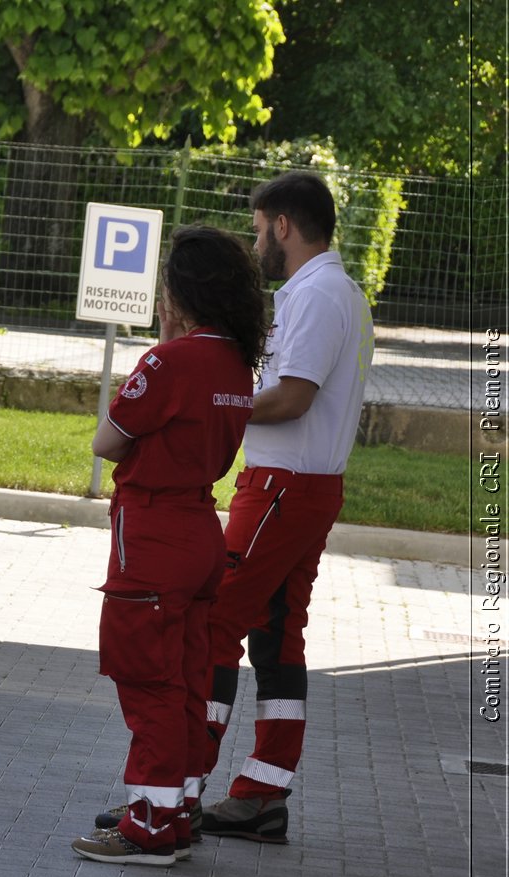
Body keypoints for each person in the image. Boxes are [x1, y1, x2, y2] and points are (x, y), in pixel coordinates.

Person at [71, 226, 266, 867]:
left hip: (153, 535)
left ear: (181, 293)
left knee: (146, 679)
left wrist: (164, 342)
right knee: (183, 680)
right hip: (200, 530)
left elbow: (107, 439)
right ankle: (177, 809)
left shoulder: (170, 360)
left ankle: (148, 826)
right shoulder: (238, 362)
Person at [197, 172, 375, 843]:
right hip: (304, 486)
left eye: (257, 226)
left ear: (282, 225)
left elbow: (293, 396)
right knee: (276, 639)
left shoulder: (318, 294)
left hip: (281, 485)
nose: (254, 239)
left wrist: (219, 406)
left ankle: (179, 785)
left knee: (215, 620)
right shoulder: (336, 292)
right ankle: (262, 792)